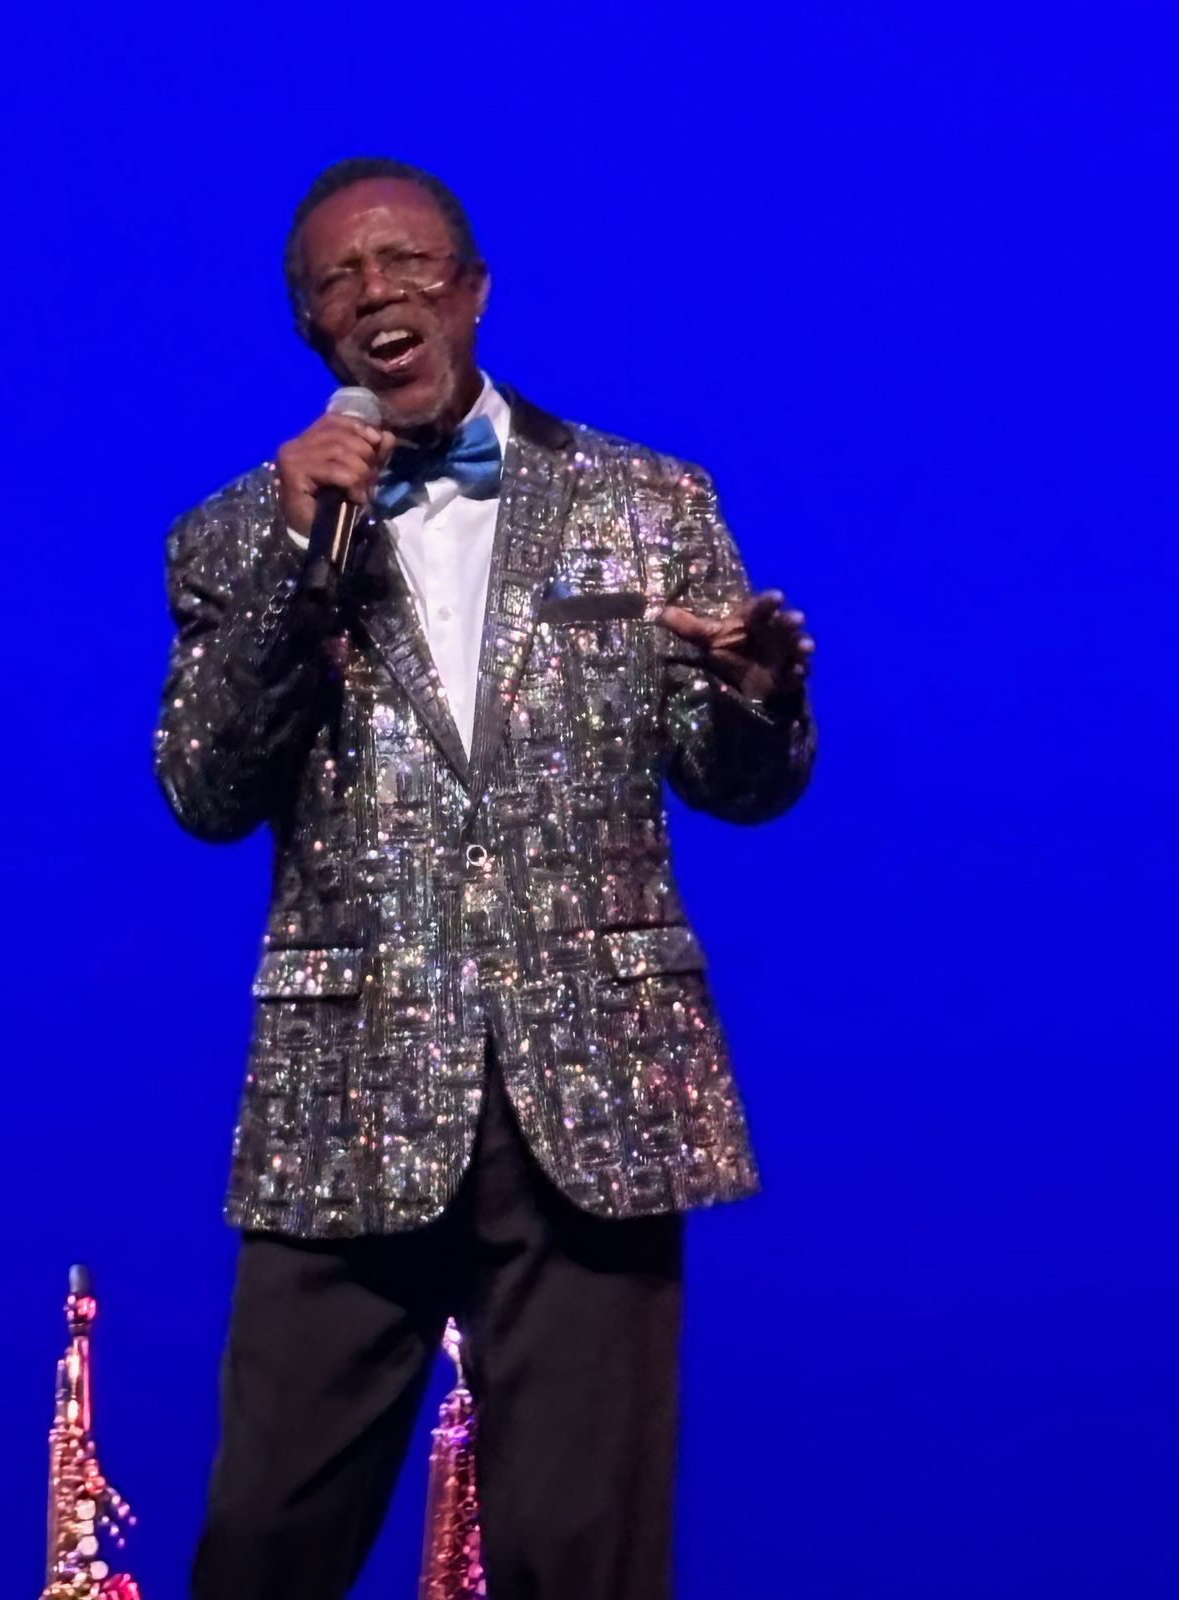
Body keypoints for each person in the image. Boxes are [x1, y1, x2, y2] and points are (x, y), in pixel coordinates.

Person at [155, 156, 816, 1600]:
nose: (373, 292)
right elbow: (204, 790)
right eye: (337, 280)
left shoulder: (646, 501)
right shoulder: (233, 535)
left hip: (598, 1090)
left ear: (470, 290)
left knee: (584, 1558)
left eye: (403, 262)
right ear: (310, 329)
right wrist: (291, 564)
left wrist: (757, 702)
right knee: (263, 1538)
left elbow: (738, 787)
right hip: (349, 1094)